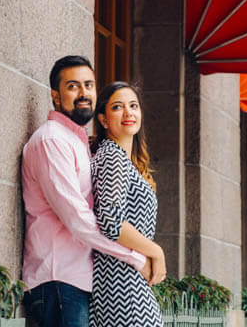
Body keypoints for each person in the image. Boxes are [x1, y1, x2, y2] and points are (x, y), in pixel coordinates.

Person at [21, 56, 152, 327]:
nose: (84, 93)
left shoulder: (77, 141)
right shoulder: (51, 140)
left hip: (77, 281)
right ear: (55, 96)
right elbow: (77, 219)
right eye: (73, 87)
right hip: (57, 280)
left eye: (89, 85)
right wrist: (136, 256)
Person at [89, 81, 165, 327]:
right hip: (119, 283)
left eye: (133, 106)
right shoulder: (112, 156)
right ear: (103, 119)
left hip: (128, 279)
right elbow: (111, 223)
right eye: (117, 107)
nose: (128, 113)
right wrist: (156, 251)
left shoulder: (125, 159)